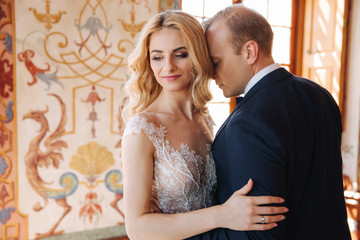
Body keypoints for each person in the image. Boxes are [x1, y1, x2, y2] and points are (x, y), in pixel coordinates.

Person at [121, 10, 288, 240]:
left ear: (199, 56)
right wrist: (222, 215)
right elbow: (137, 229)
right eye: (157, 57)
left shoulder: (204, 118)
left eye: (180, 54)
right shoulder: (142, 129)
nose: (167, 67)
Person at [188, 3, 351, 240]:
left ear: (249, 52)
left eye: (216, 62)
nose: (211, 74)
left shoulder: (249, 121)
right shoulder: (321, 95)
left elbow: (258, 236)